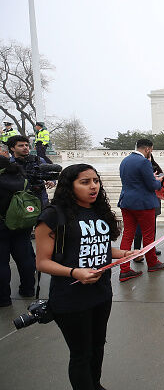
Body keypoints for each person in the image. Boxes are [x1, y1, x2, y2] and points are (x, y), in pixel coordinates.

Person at [35, 164, 136, 390]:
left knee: (98, 346)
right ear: (69, 186)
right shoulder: (53, 216)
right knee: (81, 354)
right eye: (85, 182)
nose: (93, 187)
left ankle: (96, 384)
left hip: (101, 293)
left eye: (96, 181)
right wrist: (74, 272)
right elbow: (42, 262)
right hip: (70, 297)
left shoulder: (99, 211)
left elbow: (99, 247)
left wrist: (124, 253)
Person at [118, 139, 164, 282]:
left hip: (126, 201)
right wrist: (158, 181)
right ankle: (152, 263)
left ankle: (124, 269)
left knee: (127, 235)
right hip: (143, 204)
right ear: (147, 149)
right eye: (151, 150)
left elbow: (133, 180)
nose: (150, 153)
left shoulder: (125, 160)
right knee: (148, 235)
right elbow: (151, 185)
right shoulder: (144, 162)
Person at [0, 156, 36, 307]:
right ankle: (28, 290)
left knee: (2, 263)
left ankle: (3, 299)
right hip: (22, 224)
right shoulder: (22, 179)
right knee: (26, 258)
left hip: (1, 226)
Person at [7, 135, 54, 206]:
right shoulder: (8, 164)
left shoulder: (38, 160)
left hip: (40, 199)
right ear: (12, 148)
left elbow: (50, 175)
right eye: (21, 146)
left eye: (26, 145)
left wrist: (51, 181)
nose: (25, 147)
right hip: (18, 202)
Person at [132, 154, 163, 259]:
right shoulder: (137, 168)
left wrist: (159, 179)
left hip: (154, 200)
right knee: (139, 228)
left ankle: (151, 248)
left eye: (149, 157)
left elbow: (162, 181)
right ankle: (137, 251)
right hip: (141, 201)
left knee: (152, 227)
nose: (147, 159)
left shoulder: (155, 168)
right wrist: (153, 180)